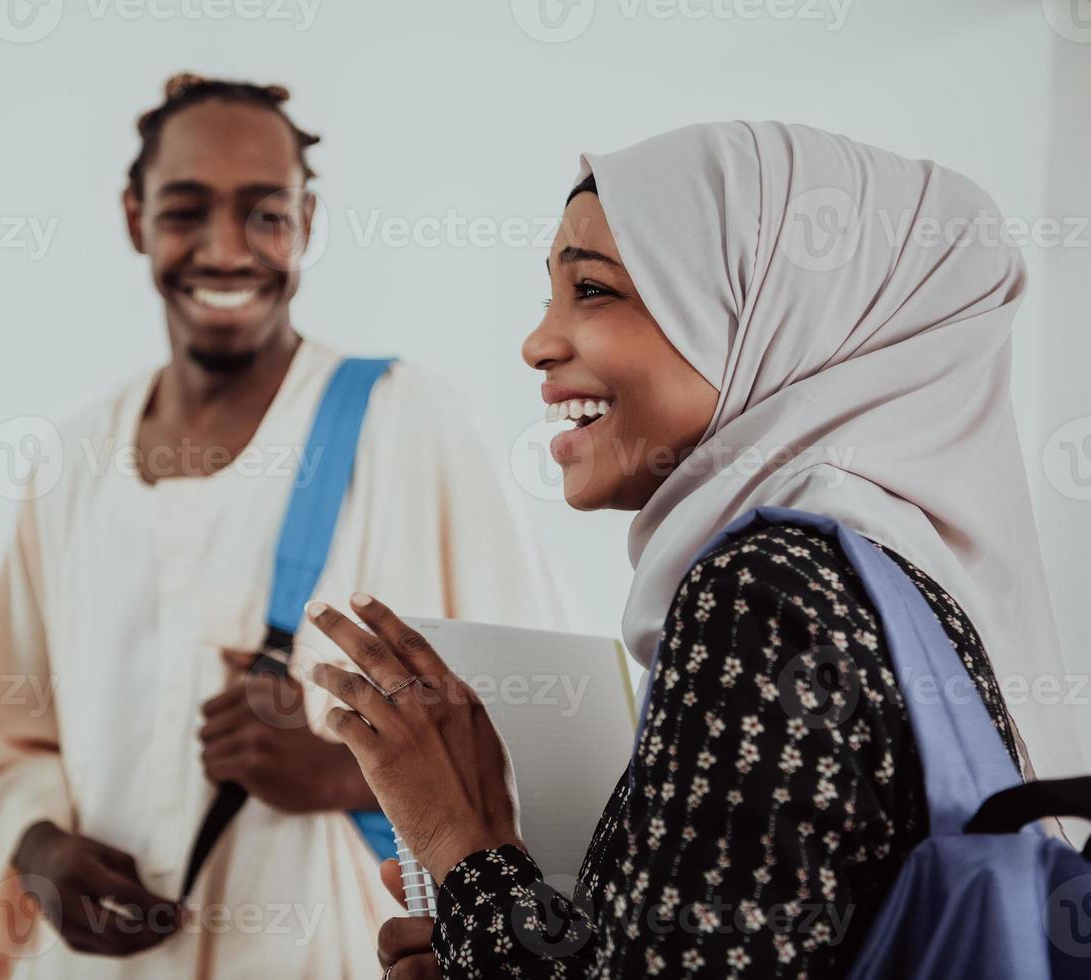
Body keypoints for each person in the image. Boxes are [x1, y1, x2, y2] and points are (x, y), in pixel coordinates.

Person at [300, 121, 1085, 978]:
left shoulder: (766, 590)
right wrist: (481, 941)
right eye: (549, 295)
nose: (538, 342)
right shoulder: (907, 594)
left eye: (593, 291)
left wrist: (465, 849)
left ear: (772, 309)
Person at [0, 74, 566, 979]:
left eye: (265, 214)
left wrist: (345, 769)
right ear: (133, 217)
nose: (225, 250)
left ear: (307, 219)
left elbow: (546, 731)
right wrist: (36, 851)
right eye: (186, 210)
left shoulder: (412, 424)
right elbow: (11, 743)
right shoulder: (68, 466)